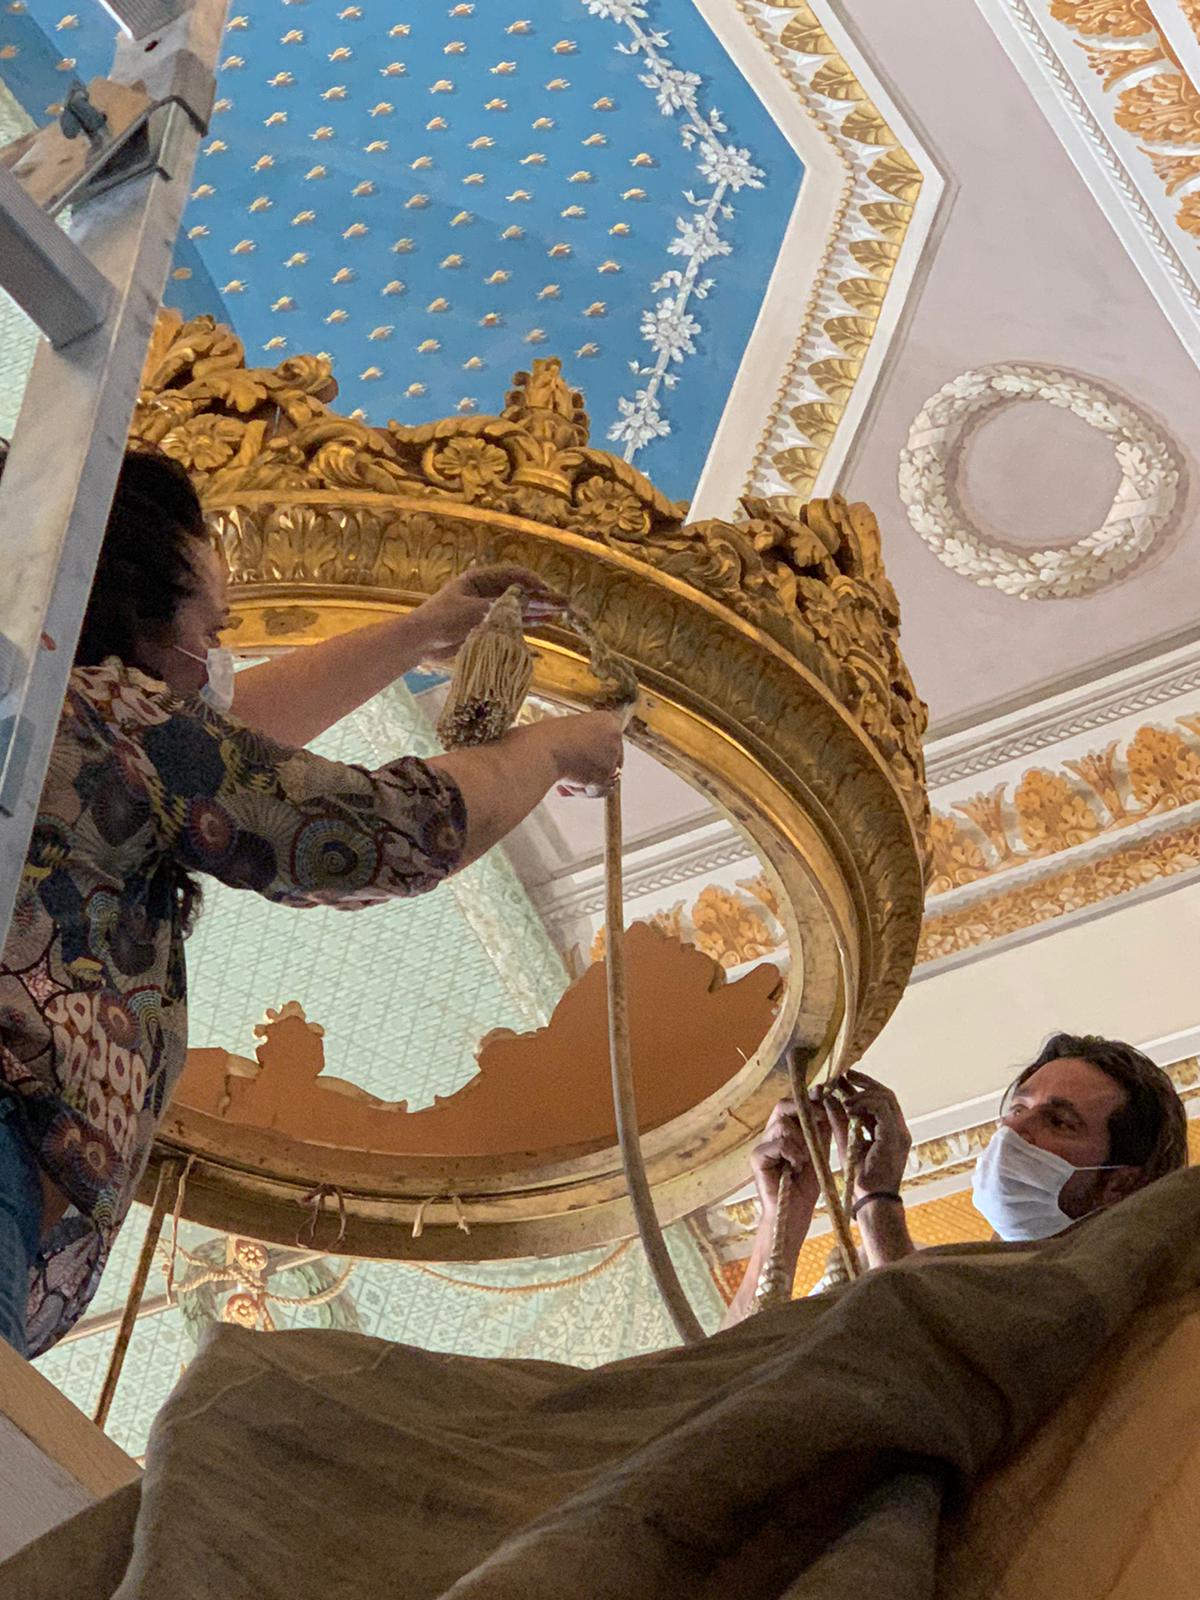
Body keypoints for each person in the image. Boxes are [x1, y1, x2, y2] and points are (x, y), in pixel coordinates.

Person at [0, 445, 624, 1358]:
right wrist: (549, 750)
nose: (214, 663)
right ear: (134, 618)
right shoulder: (110, 722)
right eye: (210, 632)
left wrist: (417, 636)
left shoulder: (58, 724)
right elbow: (389, 831)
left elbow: (217, 744)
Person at [724, 1032, 1189, 1325]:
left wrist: (877, 1207)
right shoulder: (879, 1265)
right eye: (1018, 1108)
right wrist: (782, 1221)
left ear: (1120, 1184)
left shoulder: (1121, 1317)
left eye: (1058, 1121)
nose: (1014, 1131)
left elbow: (941, 1370)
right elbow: (730, 1372)